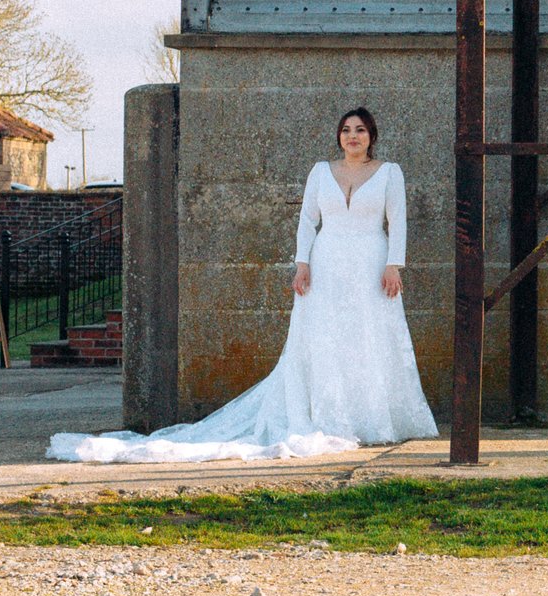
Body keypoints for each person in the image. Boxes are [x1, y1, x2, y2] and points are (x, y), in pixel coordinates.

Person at [49, 106, 437, 462]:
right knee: (324, 339)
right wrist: (302, 263)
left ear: (372, 136)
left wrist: (394, 265)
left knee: (368, 337)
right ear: (339, 136)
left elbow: (397, 221)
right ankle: (329, 413)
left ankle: (372, 417)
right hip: (328, 260)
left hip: (371, 260)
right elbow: (307, 221)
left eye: (361, 130)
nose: (353, 136)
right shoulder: (322, 171)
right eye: (347, 130)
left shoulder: (389, 173)